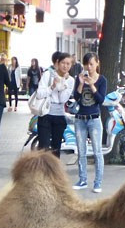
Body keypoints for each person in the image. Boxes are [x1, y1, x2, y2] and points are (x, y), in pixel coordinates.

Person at [73, 52, 106, 193]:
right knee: (81, 152)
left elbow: (100, 99)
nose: (89, 67)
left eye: (92, 64)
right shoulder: (79, 78)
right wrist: (81, 84)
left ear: (97, 63)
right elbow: (76, 97)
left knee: (97, 152)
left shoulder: (102, 80)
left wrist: (92, 85)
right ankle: (82, 180)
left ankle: (97, 183)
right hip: (80, 119)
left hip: (94, 119)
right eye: (86, 64)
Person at [32, 52, 73, 157]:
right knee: (44, 149)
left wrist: (63, 81)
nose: (65, 66)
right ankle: (43, 172)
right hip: (45, 115)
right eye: (63, 63)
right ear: (57, 63)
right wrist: (52, 86)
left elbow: (62, 99)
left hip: (59, 116)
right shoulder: (48, 75)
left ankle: (54, 173)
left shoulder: (70, 80)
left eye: (68, 64)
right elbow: (39, 94)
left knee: (56, 150)